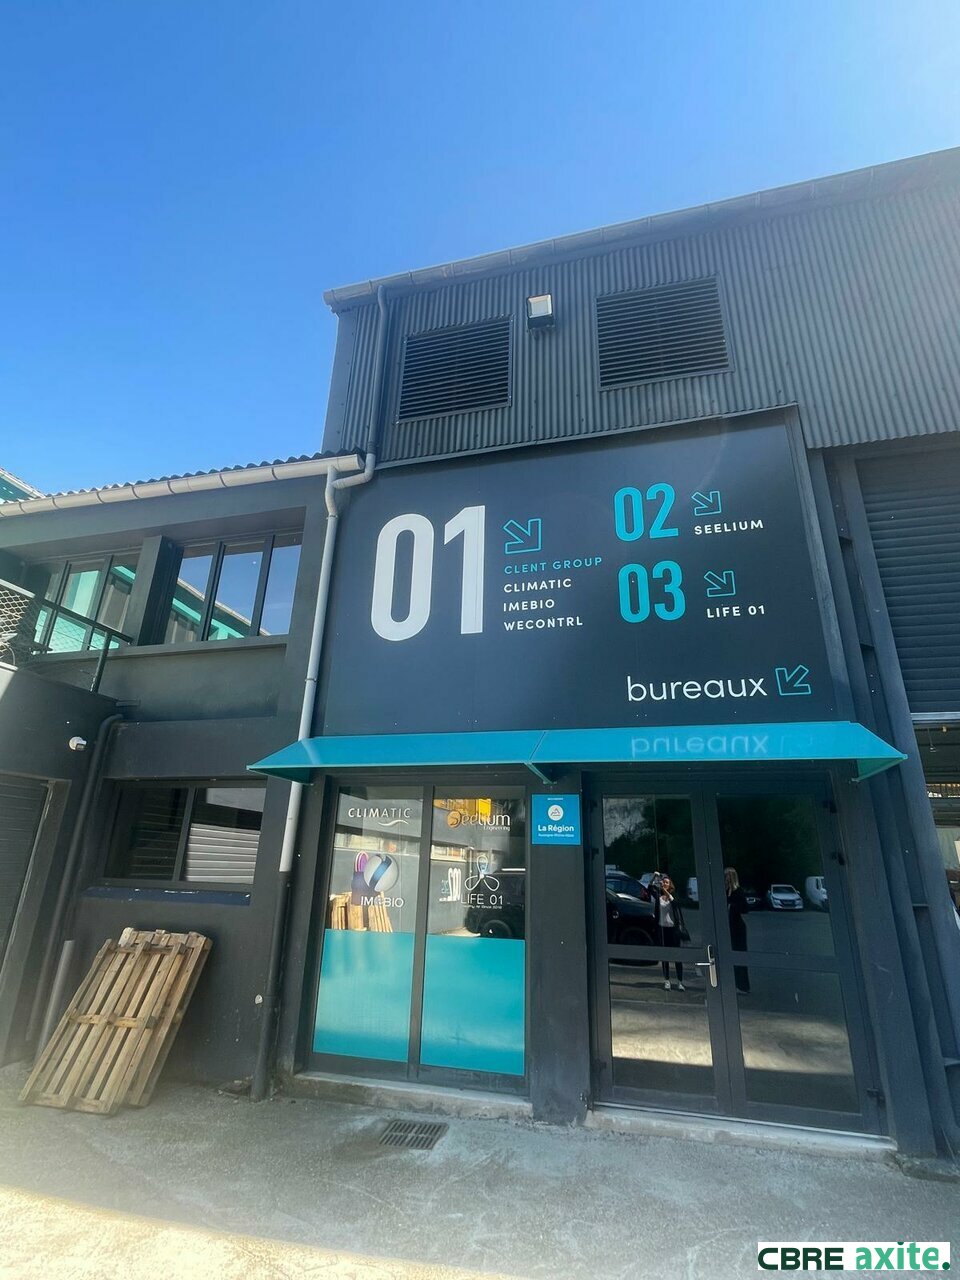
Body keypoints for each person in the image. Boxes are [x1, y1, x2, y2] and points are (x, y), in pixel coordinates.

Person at [651, 873, 687, 990]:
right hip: (663, 929)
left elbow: (675, 903)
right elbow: (649, 888)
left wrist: (665, 891)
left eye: (667, 882)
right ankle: (667, 980)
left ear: (670, 885)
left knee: (677, 956)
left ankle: (680, 982)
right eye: (663, 882)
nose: (664, 884)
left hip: (673, 930)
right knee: (665, 956)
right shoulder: (659, 897)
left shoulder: (673, 896)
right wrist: (654, 877)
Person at [725, 866, 751, 994]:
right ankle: (732, 983)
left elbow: (745, 908)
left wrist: (733, 905)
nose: (725, 879)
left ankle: (742, 985)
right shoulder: (726, 891)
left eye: (726, 877)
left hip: (737, 927)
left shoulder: (738, 891)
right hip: (728, 926)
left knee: (739, 955)